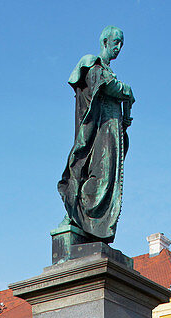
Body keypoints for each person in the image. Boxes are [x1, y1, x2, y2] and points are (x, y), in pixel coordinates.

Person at [56, 26, 134, 244]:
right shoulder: (92, 64)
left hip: (112, 131)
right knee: (96, 173)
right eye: (115, 42)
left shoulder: (108, 71)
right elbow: (106, 86)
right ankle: (77, 214)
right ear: (104, 42)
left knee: (108, 177)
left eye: (121, 44)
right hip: (98, 130)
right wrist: (128, 91)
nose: (118, 48)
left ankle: (92, 225)